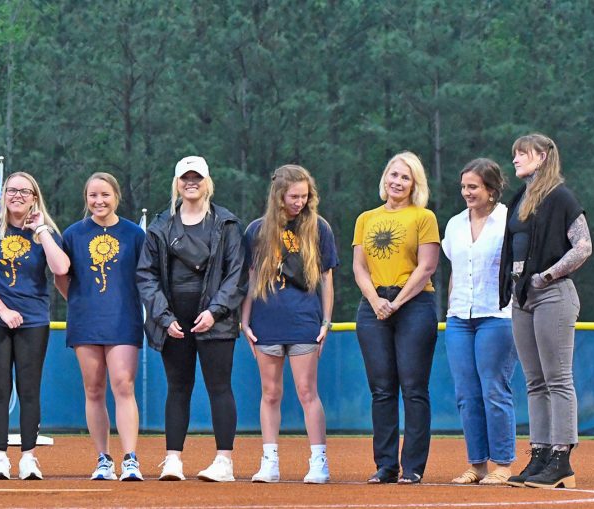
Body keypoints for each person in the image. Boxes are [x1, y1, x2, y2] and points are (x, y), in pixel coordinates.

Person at [137, 156, 246, 482]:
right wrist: (163, 316)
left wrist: (214, 312)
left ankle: (224, 462)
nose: (191, 183)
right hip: (174, 321)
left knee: (219, 387)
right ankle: (173, 460)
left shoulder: (227, 223)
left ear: (207, 182)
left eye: (197, 177)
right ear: (177, 183)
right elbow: (146, 275)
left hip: (217, 320)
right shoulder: (160, 226)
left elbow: (237, 274)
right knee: (178, 388)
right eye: (185, 178)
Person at [500, 134, 591, 489]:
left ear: (542, 157)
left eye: (522, 154)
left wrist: (548, 275)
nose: (515, 159)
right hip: (522, 296)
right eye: (514, 154)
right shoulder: (520, 199)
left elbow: (583, 247)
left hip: (553, 294)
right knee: (535, 381)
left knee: (558, 379)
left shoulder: (560, 197)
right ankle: (539, 455)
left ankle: (561, 460)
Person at [0, 172, 70, 480]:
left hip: (33, 320)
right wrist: (2, 310)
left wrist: (41, 230)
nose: (17, 196)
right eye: (12, 190)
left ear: (34, 198)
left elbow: (61, 268)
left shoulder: (46, 231)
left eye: (25, 191)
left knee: (29, 389)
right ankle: (0, 457)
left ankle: (28, 458)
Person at [240, 164, 337, 484]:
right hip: (266, 321)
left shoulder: (319, 227)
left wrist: (326, 321)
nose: (300, 202)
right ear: (278, 195)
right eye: (294, 196)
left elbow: (327, 279)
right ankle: (269, 461)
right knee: (270, 393)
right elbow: (251, 278)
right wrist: (245, 319)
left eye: (304, 196)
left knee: (308, 392)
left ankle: (319, 461)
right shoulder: (256, 230)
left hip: (304, 321)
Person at [352, 151, 440, 485]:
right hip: (373, 306)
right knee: (381, 390)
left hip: (414, 304)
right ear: (385, 178)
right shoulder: (366, 218)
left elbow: (427, 266)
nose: (398, 182)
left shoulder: (424, 217)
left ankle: (413, 467)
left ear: (415, 184)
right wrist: (376, 301)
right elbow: (359, 267)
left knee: (414, 388)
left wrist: (397, 302)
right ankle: (385, 465)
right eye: (394, 175)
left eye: (405, 177)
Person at [56, 172, 145, 481]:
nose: (99, 201)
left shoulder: (134, 234)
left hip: (123, 319)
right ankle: (104, 459)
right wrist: (82, 302)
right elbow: (61, 277)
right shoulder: (73, 234)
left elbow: (145, 277)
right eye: (93, 195)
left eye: (105, 195)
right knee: (93, 389)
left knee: (123, 384)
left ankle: (130, 459)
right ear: (86, 199)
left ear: (116, 196)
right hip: (85, 321)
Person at [441, 159, 516, 485]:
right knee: (466, 394)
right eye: (464, 187)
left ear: (491, 189)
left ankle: (502, 464)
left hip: (497, 315)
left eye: (473, 187)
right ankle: (477, 465)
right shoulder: (455, 224)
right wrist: (450, 309)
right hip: (459, 317)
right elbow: (455, 270)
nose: (466, 192)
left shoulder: (509, 220)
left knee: (494, 391)